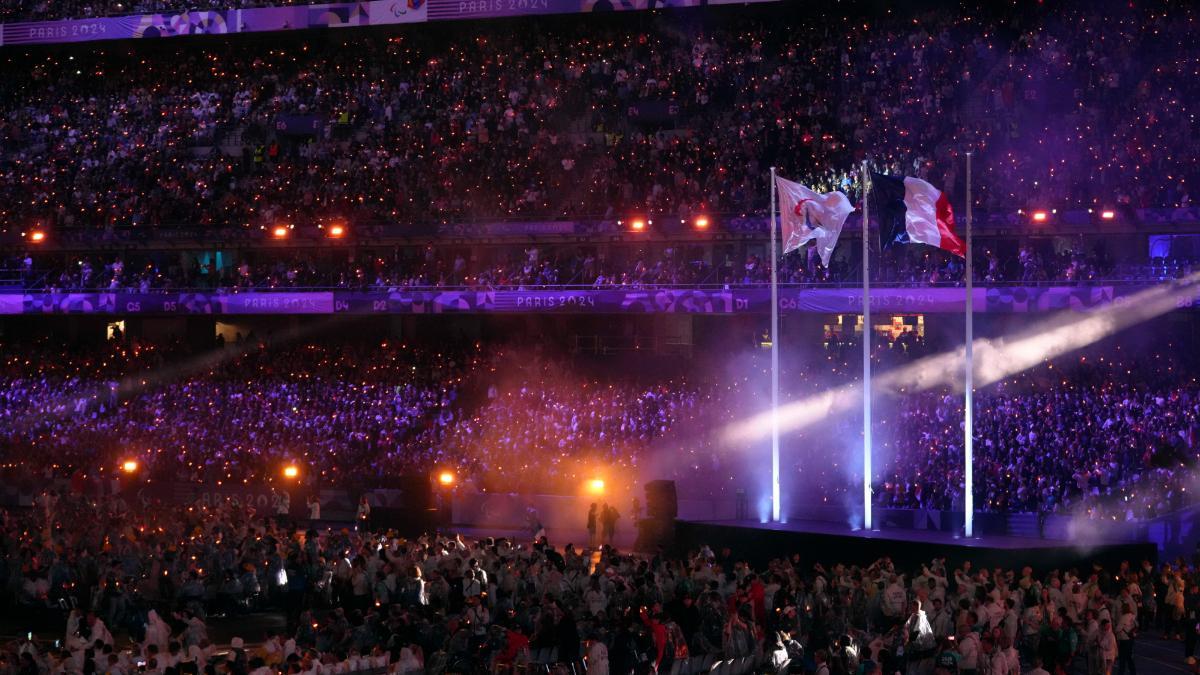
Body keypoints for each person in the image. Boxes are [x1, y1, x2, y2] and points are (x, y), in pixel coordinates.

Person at [1114, 604, 1137, 675]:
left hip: (1124, 639)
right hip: (1131, 638)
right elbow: (1137, 625)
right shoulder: (1132, 616)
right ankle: (1133, 672)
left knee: (1122, 658)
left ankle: (1121, 672)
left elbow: (1118, 629)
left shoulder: (1123, 617)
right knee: (1129, 657)